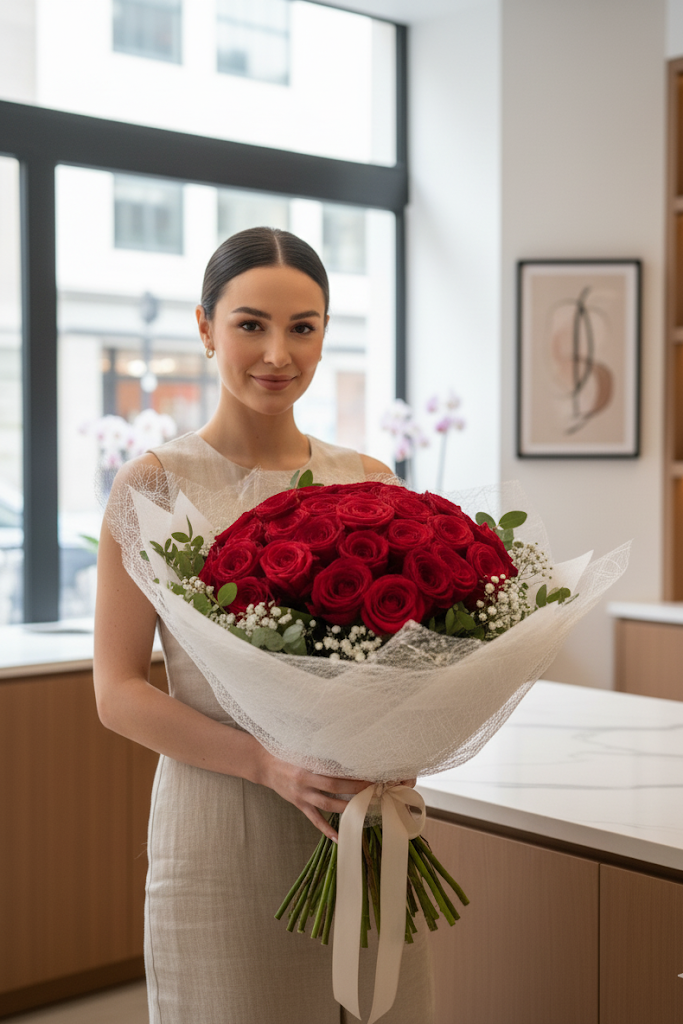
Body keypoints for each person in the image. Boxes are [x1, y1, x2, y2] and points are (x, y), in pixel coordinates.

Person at [94, 227, 434, 1024]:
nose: (278, 353)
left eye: (302, 327)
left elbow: (418, 655)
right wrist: (266, 764)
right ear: (206, 327)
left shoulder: (370, 479)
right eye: (250, 324)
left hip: (365, 815)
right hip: (225, 819)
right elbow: (115, 692)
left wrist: (405, 737)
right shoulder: (152, 486)